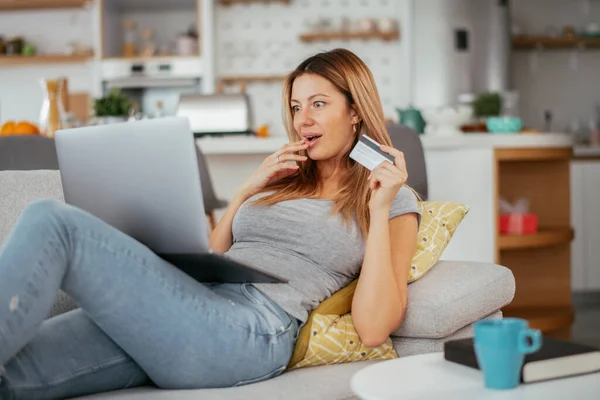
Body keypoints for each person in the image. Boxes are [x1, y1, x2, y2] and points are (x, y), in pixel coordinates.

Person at [0, 48, 420, 400]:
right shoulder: (282, 182)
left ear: (355, 113)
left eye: (318, 104)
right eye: (296, 107)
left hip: (251, 329)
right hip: (189, 307)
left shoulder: (390, 198)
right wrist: (244, 193)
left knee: (51, 220)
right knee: (12, 373)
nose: (302, 119)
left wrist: (380, 208)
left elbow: (373, 328)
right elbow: (215, 256)